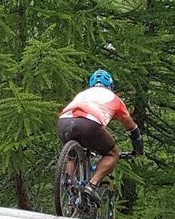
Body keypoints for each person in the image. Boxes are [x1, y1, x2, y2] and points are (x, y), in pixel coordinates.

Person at [56, 69, 143, 205]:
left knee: (72, 157)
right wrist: (138, 148)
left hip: (63, 122)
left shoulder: (82, 94)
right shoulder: (114, 99)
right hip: (88, 123)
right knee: (112, 154)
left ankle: (69, 185)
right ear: (110, 86)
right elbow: (131, 127)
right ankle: (92, 185)